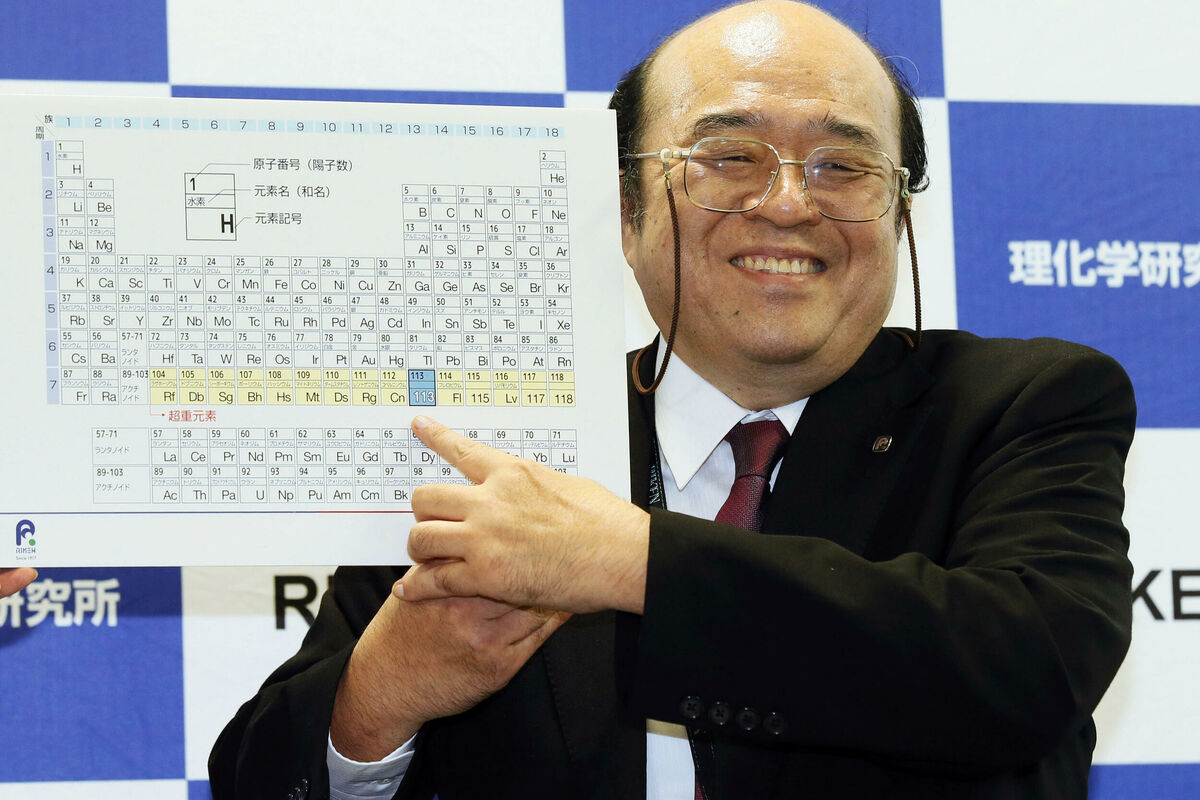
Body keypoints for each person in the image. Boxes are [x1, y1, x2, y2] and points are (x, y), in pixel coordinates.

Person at [209, 2, 1136, 798]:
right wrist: (384, 692)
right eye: (729, 156)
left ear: (898, 210)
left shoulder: (1022, 405)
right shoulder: (497, 446)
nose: (788, 204)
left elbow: (1030, 670)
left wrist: (630, 560)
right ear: (624, 210)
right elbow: (258, 775)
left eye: (841, 166)